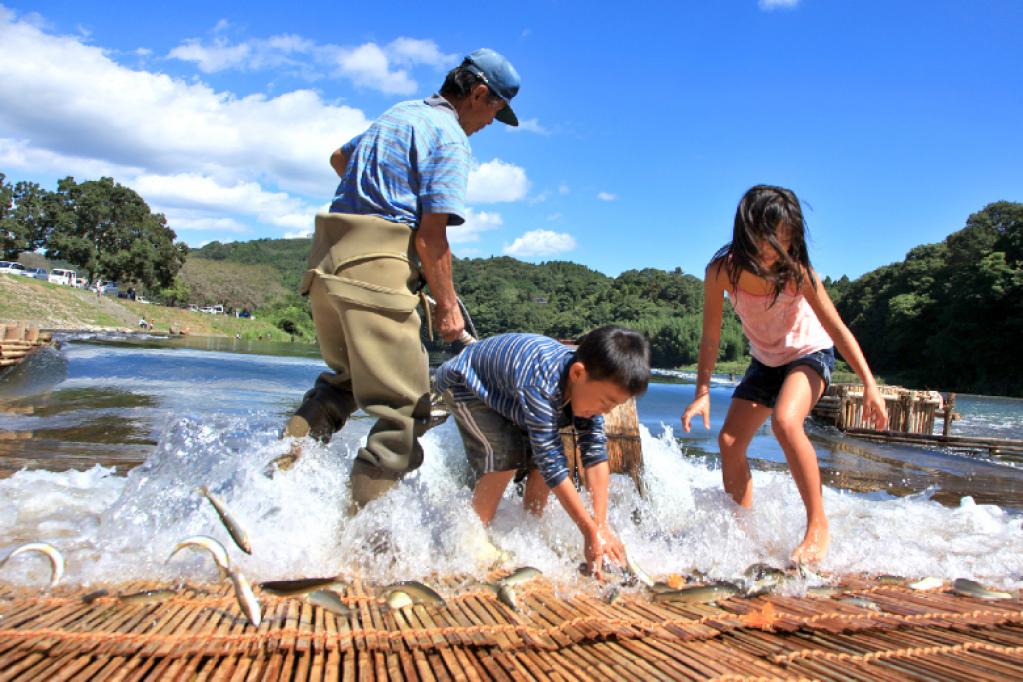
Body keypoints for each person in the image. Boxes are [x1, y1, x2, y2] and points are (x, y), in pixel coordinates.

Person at [284, 49, 522, 513]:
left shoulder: (400, 114)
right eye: (496, 109)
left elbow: (339, 158)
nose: (493, 122)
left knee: (345, 385)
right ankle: (364, 540)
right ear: (478, 94)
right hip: (376, 268)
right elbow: (433, 238)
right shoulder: (451, 138)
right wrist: (449, 308)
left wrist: (379, 194)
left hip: (327, 263)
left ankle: (271, 486)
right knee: (407, 412)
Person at [680, 185, 887, 565]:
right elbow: (710, 336)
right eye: (769, 241)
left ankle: (818, 525)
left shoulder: (798, 275)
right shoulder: (722, 271)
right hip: (765, 362)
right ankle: (741, 533)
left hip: (810, 354)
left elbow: (838, 330)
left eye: (786, 243)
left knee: (786, 422)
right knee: (728, 442)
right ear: (747, 231)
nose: (777, 252)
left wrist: (869, 385)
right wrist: (702, 391)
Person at [433, 326, 651, 577]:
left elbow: (595, 455)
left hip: (509, 395)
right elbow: (552, 465)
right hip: (466, 384)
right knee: (507, 456)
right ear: (578, 373)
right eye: (606, 402)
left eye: (616, 405)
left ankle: (530, 526)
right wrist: (588, 530)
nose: (608, 411)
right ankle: (470, 539)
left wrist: (600, 525)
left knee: (545, 460)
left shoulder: (585, 391)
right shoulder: (542, 384)